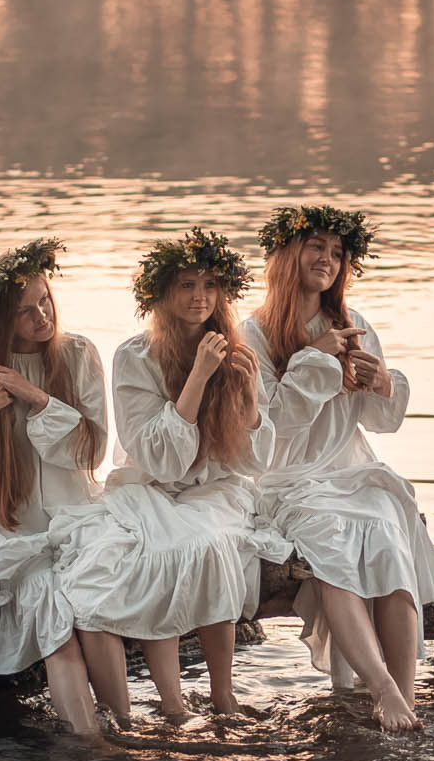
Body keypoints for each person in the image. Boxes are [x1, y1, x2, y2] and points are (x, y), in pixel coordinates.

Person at [52, 228, 274, 719]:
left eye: (210, 285)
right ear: (162, 294)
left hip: (216, 490)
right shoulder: (134, 357)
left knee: (208, 544)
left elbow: (253, 462)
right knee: (159, 554)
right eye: (187, 285)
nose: (200, 297)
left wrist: (249, 400)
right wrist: (198, 376)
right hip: (148, 485)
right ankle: (173, 705)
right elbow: (161, 460)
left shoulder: (237, 353)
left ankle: (223, 694)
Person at [241, 205, 434, 732]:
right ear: (288, 255)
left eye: (336, 252)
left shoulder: (355, 325)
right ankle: (381, 689)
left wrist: (382, 384)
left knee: (388, 533)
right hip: (291, 477)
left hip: (353, 468)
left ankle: (405, 698)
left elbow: (380, 421)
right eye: (316, 247)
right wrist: (313, 357)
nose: (327, 260)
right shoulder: (254, 333)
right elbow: (271, 426)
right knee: (333, 547)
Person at [0, 238, 132, 734]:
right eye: (26, 311)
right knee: (54, 618)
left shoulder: (79, 354)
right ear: (3, 320)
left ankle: (128, 730)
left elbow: (91, 453)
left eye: (45, 300)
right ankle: (90, 745)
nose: (42, 316)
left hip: (73, 515)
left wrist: (36, 398)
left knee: (95, 612)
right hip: (6, 527)